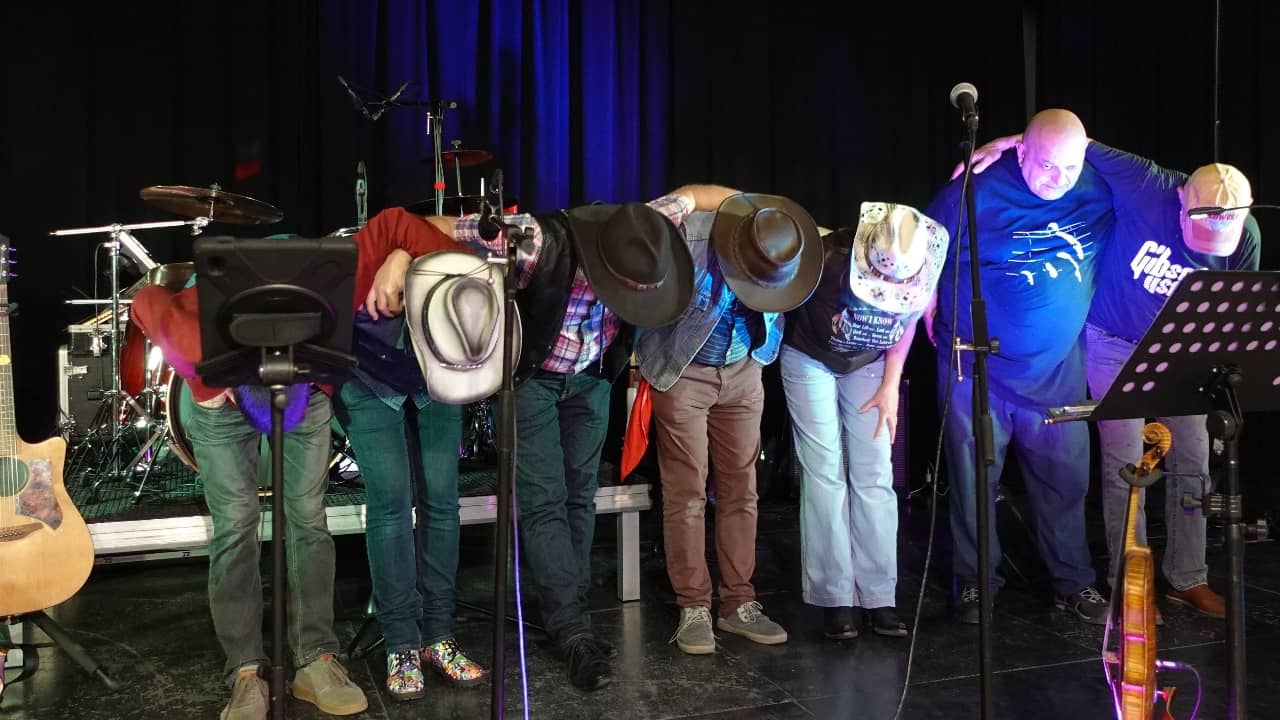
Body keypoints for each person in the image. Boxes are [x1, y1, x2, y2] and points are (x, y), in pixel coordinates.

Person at [391, 184, 737, 690]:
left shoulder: (651, 226)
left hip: (593, 377)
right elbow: (445, 227)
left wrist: (764, 206)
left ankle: (566, 611)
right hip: (534, 378)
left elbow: (695, 195)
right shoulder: (536, 240)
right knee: (544, 500)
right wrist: (399, 250)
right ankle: (571, 627)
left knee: (580, 496)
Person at [130, 213, 462, 719]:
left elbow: (401, 223)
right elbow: (144, 301)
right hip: (221, 397)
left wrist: (402, 257)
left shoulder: (336, 278)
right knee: (236, 526)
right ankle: (245, 670)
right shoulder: (195, 324)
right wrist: (204, 383)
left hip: (308, 392)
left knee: (307, 519)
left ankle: (315, 660)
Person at [960, 140, 1261, 620]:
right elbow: (1074, 139)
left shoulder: (1244, 236)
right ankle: (1131, 584)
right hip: (1113, 338)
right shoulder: (1147, 182)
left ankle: (1188, 577)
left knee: (1195, 460)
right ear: (1182, 199)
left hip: (1183, 349)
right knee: (1127, 465)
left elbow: (1231, 307)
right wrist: (1011, 143)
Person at [925, 108, 1115, 625]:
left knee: (1066, 479)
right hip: (973, 365)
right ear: (1022, 152)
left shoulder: (1100, 187)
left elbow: (1164, 185)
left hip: (1056, 368)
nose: (1058, 180)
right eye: (1046, 166)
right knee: (972, 478)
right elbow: (924, 252)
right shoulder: (974, 191)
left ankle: (1072, 581)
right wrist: (925, 303)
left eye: (1070, 168)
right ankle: (975, 581)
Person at [634, 193, 823, 654]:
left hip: (744, 370)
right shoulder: (691, 236)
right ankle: (694, 605)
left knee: (742, 489)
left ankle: (738, 602)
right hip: (684, 373)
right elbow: (635, 255)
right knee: (688, 493)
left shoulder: (787, 241)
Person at [332, 208, 487, 700]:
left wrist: (405, 256)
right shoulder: (351, 257)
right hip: (366, 376)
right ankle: (401, 641)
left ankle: (438, 635)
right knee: (391, 504)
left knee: (442, 501)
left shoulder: (416, 239)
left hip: (435, 372)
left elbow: (472, 264)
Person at [781, 202, 947, 640]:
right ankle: (835, 597)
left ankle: (879, 595)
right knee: (825, 473)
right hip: (810, 357)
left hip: (870, 363)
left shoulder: (921, 261)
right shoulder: (828, 255)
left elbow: (906, 321)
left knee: (875, 471)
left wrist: (891, 385)